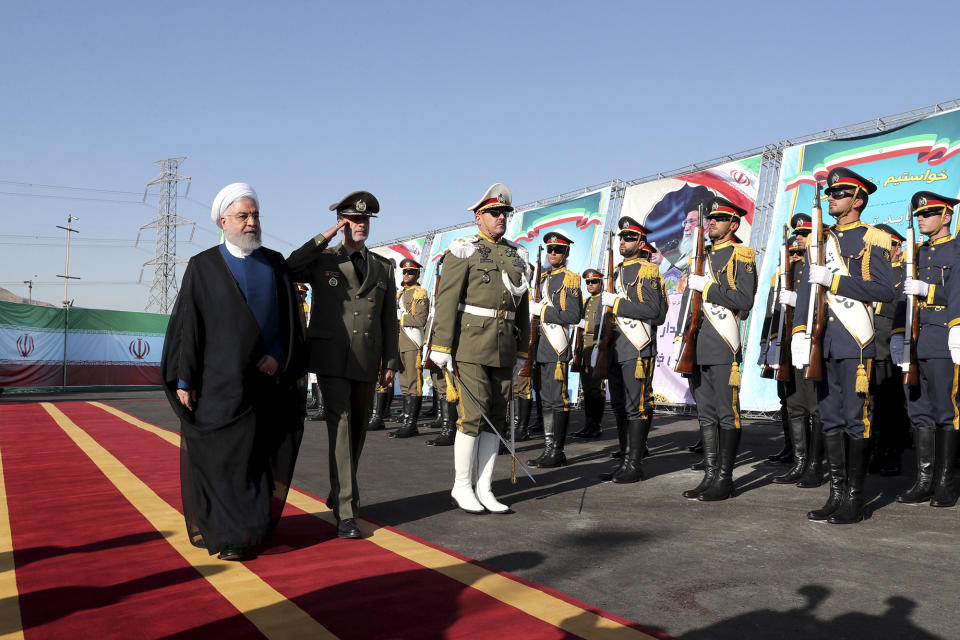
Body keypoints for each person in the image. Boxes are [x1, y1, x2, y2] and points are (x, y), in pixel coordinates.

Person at [160, 182, 306, 561]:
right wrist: (185, 380)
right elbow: (189, 329)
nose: (251, 222)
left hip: (264, 385)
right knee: (221, 462)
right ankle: (226, 536)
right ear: (223, 221)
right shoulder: (203, 266)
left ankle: (250, 530)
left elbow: (289, 321)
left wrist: (276, 354)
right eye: (243, 216)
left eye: (255, 215)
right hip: (217, 385)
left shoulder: (274, 263)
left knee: (256, 459)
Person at [287, 190, 399, 539]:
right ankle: (348, 512)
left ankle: (339, 492)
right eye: (353, 219)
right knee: (342, 427)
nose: (360, 225)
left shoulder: (383, 266)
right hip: (332, 357)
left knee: (359, 432)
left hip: (367, 358)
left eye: (365, 220)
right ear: (342, 222)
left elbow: (388, 319)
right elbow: (289, 267)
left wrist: (391, 360)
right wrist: (324, 237)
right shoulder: (324, 260)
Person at [791, 167, 895, 524]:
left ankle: (854, 498)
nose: (831, 199)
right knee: (830, 419)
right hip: (825, 343)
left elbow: (884, 290)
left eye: (838, 194)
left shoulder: (874, 238)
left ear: (857, 200)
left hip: (855, 341)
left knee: (855, 419)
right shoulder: (819, 240)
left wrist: (836, 281)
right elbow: (806, 291)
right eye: (830, 194)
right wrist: (800, 332)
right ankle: (835, 494)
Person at [429, 183, 530, 514]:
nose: (501, 218)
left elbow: (523, 307)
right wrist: (441, 345)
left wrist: (522, 350)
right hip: (470, 344)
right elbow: (447, 301)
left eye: (505, 213)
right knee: (474, 414)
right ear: (478, 217)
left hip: (504, 344)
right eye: (494, 213)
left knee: (497, 416)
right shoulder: (463, 250)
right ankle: (461, 485)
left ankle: (485, 487)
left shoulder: (517, 255)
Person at [681, 197, 757, 501]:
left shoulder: (742, 255)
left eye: (719, 219)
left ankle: (725, 479)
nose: (711, 222)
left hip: (723, 346)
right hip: (697, 345)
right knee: (706, 415)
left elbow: (744, 300)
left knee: (727, 414)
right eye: (710, 219)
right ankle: (710, 475)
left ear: (733, 225)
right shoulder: (701, 257)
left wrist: (707, 287)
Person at [891, 191, 960, 508]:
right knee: (918, 411)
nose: (921, 218)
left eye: (928, 213)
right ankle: (923, 480)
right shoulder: (914, 254)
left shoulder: (958, 249)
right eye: (919, 214)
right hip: (915, 343)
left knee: (947, 412)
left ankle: (946, 481)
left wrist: (928, 290)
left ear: (946, 217)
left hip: (945, 340)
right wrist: (897, 333)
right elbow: (902, 299)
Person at [597, 218, 668, 483]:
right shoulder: (615, 272)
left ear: (641, 242)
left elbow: (654, 313)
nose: (623, 242)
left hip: (636, 348)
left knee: (635, 407)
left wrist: (619, 303)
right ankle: (625, 459)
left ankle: (634, 464)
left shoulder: (648, 271)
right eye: (621, 238)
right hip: (614, 347)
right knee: (618, 406)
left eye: (629, 238)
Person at [771, 215, 824, 487]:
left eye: (805, 233)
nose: (799, 237)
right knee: (794, 405)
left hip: (815, 341)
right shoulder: (793, 268)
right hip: (794, 341)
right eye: (798, 234)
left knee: (815, 407)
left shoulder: (822, 264)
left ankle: (815, 464)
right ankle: (799, 461)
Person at [527, 231, 583, 468]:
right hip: (539, 347)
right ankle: (548, 448)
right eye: (550, 250)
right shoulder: (541, 279)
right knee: (545, 399)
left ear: (566, 253)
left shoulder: (570, 279)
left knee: (556, 400)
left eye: (557, 250)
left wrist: (543, 311)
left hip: (556, 346)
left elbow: (573, 315)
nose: (552, 254)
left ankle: (557, 451)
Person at [869, 224, 908, 477]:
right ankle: (876, 449)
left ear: (897, 247)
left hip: (890, 346)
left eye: (886, 247)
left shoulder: (904, 273)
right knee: (872, 404)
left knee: (893, 405)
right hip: (869, 347)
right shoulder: (868, 273)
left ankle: (893, 452)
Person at [389, 258, 430, 439]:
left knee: (414, 384)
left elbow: (420, 320)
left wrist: (400, 317)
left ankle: (411, 424)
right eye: (405, 272)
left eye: (411, 272)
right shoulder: (400, 294)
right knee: (405, 384)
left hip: (412, 342)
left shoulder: (420, 293)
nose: (407, 275)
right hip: (399, 342)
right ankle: (406, 420)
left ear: (417, 274)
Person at [571, 268, 606, 439]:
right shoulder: (586, 301)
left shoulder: (604, 301)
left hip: (597, 349)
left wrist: (586, 325)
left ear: (601, 282)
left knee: (596, 389)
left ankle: (596, 425)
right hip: (584, 350)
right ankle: (588, 424)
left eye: (594, 282)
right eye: (588, 282)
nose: (590, 285)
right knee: (586, 389)